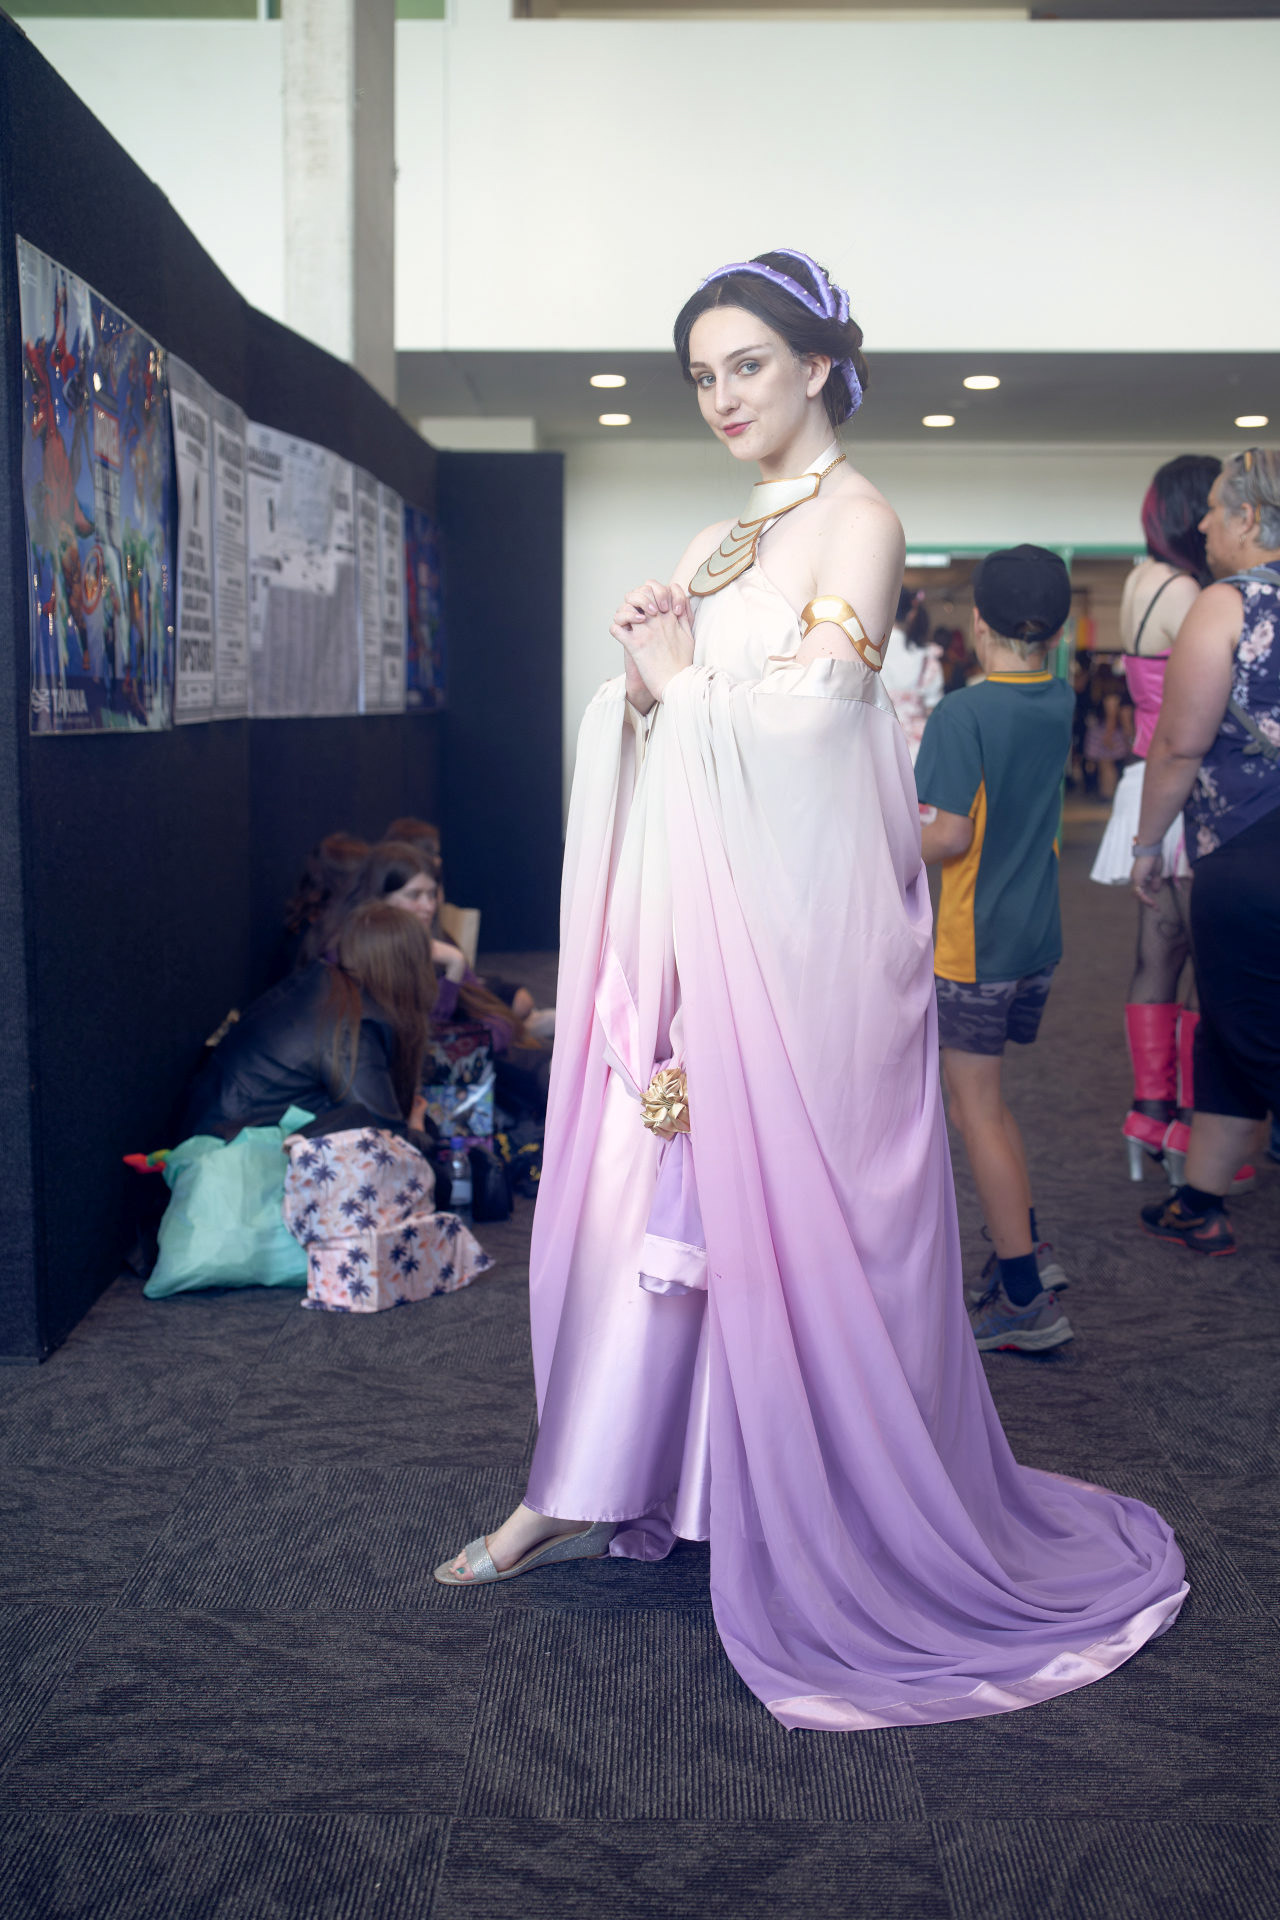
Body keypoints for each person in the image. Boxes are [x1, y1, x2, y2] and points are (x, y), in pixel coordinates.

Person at [432, 249, 1184, 1730]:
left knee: (773, 1218)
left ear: (819, 365)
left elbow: (823, 726)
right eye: (701, 376)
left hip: (802, 939)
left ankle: (805, 1497)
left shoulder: (861, 519)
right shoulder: (721, 537)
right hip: (702, 918)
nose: (721, 397)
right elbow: (693, 716)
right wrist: (634, 696)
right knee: (647, 1202)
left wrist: (677, 683)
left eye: (747, 366)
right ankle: (580, 1482)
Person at [914, 547, 1076, 1352]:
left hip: (975, 945)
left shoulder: (963, 714)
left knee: (973, 1110)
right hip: (1035, 936)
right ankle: (1028, 1250)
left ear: (977, 622)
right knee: (993, 1102)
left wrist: (873, 838)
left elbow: (947, 835)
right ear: (1058, 631)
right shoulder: (1060, 697)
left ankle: (1023, 1301)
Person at [1133, 446, 1280, 1257]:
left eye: (1216, 509)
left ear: (1249, 517)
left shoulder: (1229, 603)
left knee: (1253, 1028)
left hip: (1249, 853)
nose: (1202, 526)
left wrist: (1147, 843)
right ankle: (1201, 1200)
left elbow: (1180, 745)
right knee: (1228, 1023)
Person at [1088, 455, 1221, 1181]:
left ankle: (1150, 1114)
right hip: (1185, 784)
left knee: (1156, 958)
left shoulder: (1143, 580)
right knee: (1206, 961)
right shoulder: (1191, 593)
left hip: (1147, 779)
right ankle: (1195, 1127)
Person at [183, 901, 437, 1141]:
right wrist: (417, 1129)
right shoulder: (351, 1023)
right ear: (411, 969)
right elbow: (385, 1140)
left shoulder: (325, 985)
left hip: (217, 1131)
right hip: (233, 1150)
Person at [879, 585, 944, 762]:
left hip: (878, 746)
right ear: (911, 613)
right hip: (918, 751)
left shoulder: (870, 655)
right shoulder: (926, 658)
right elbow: (933, 711)